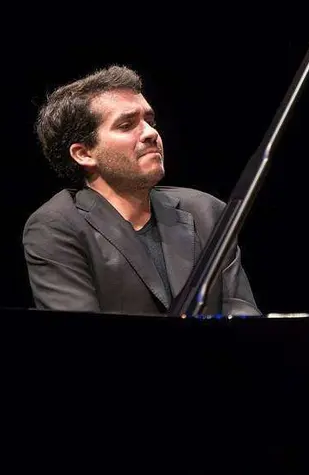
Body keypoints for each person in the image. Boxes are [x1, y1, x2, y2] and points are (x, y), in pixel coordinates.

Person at [22, 65, 260, 316]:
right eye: (126, 125)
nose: (151, 133)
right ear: (84, 153)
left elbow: (243, 316)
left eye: (149, 121)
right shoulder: (57, 226)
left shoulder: (206, 212)